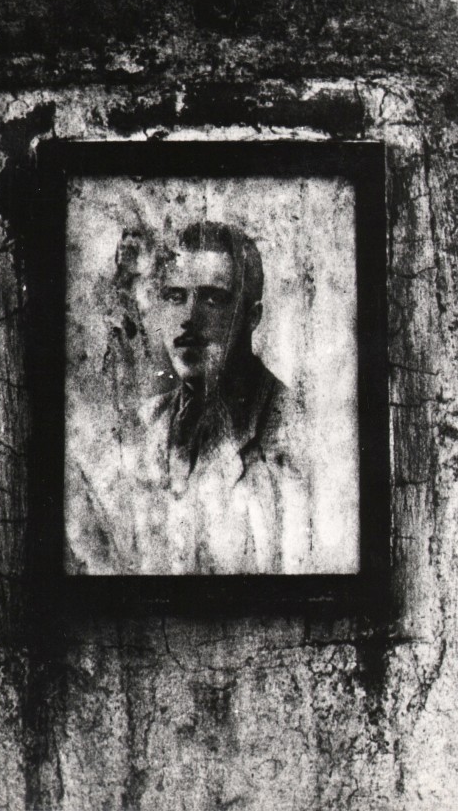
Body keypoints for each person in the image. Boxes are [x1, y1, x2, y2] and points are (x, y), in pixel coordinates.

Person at [66, 220, 311, 575]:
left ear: (252, 317)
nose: (188, 319)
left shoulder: (299, 433)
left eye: (212, 299)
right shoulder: (138, 430)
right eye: (175, 297)